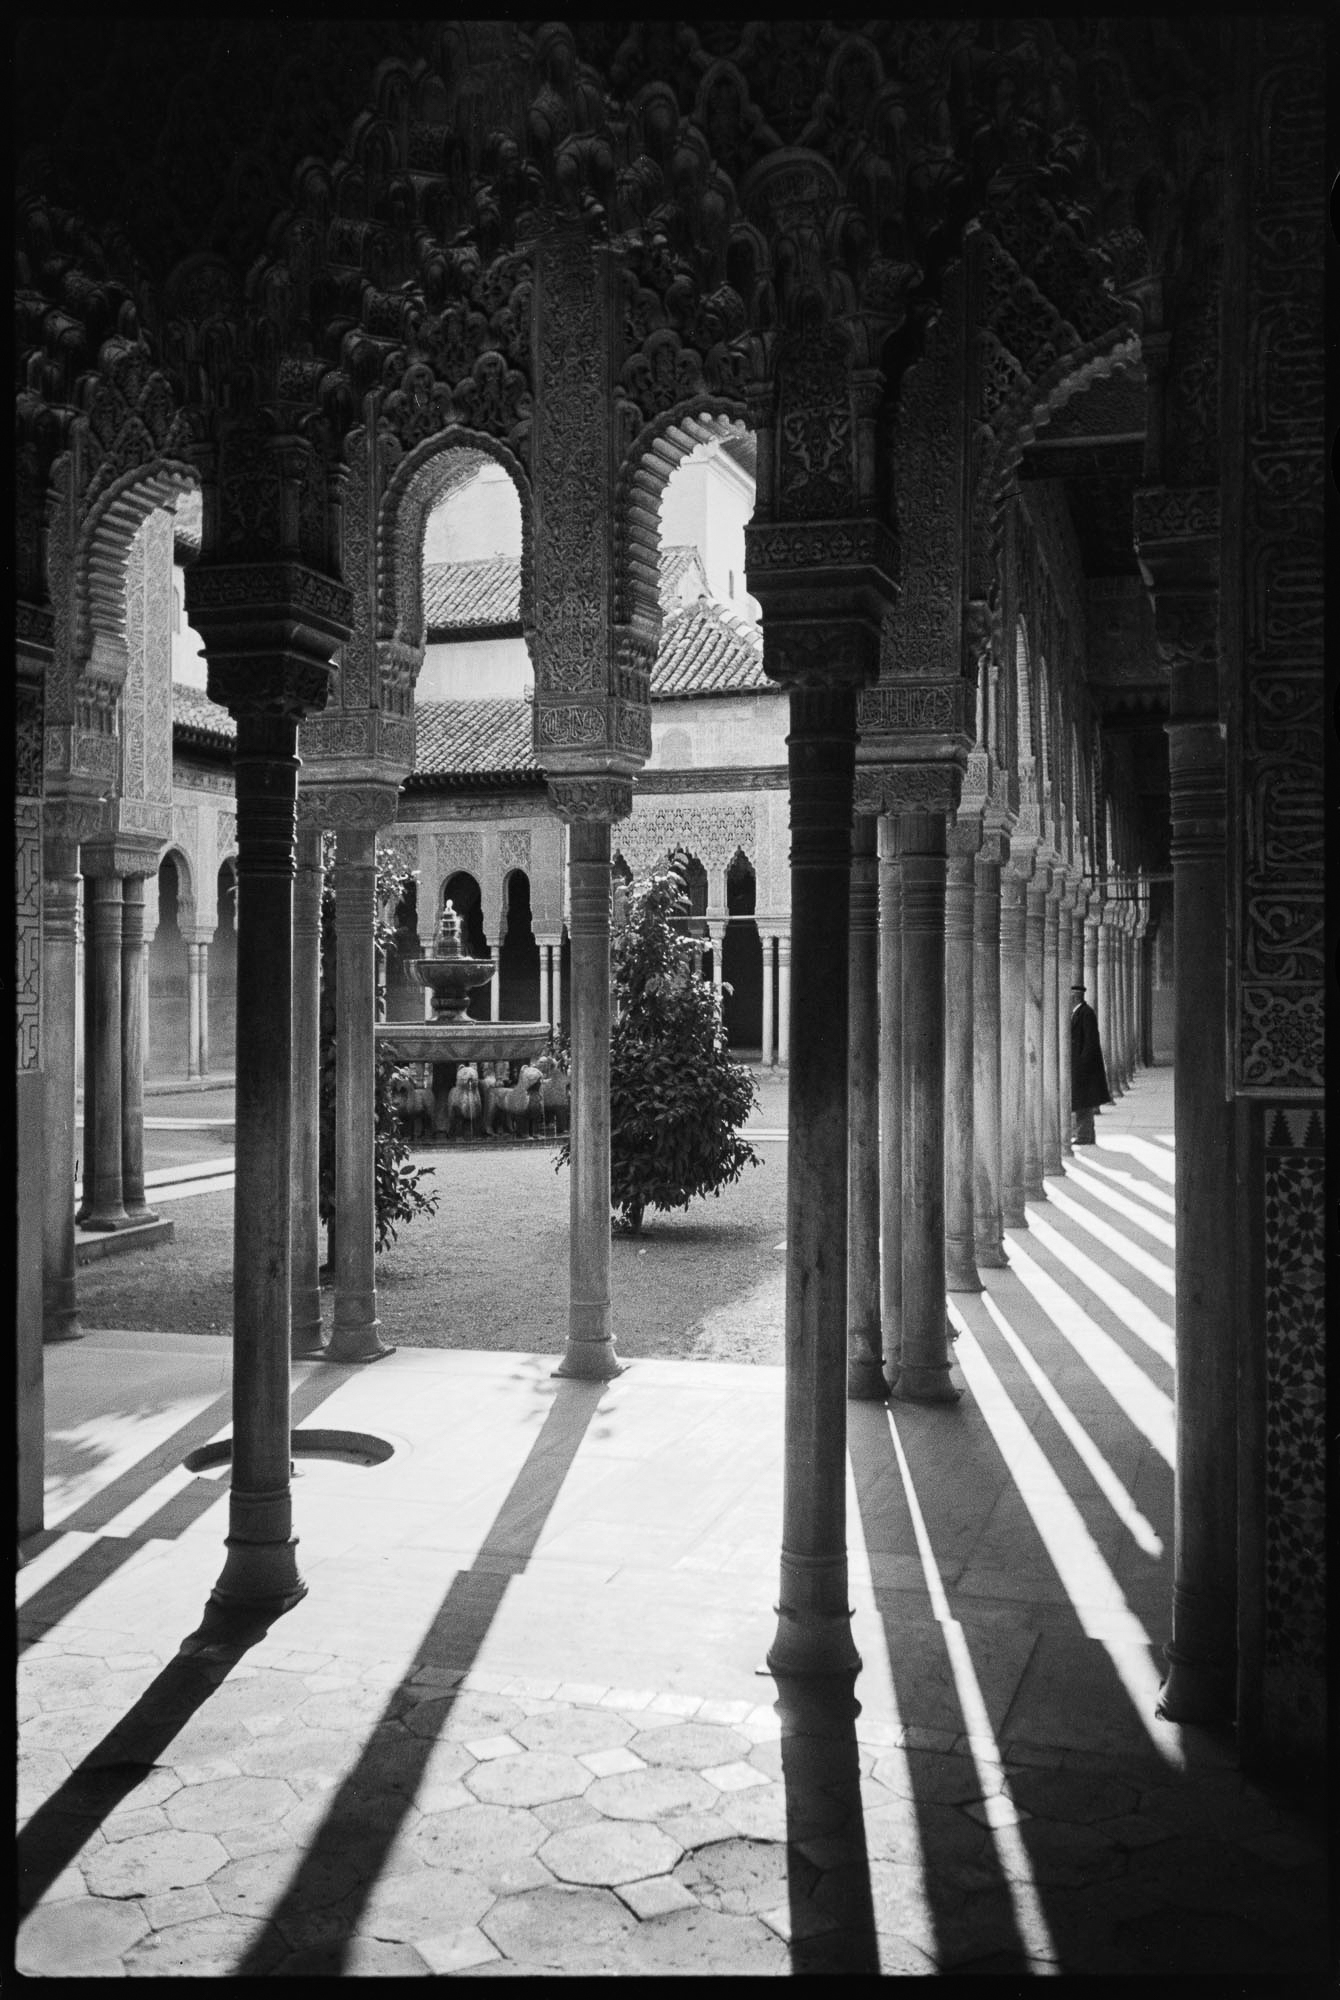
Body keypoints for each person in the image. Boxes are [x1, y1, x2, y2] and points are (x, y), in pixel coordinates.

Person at [1070, 981, 1111, 1145]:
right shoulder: (1079, 1013)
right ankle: (1086, 1135)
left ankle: (1084, 1136)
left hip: (1084, 1068)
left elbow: (1090, 1043)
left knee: (1083, 1104)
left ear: (1075, 997)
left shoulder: (1086, 1014)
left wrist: (1081, 1066)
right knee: (1082, 1103)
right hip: (1081, 1067)